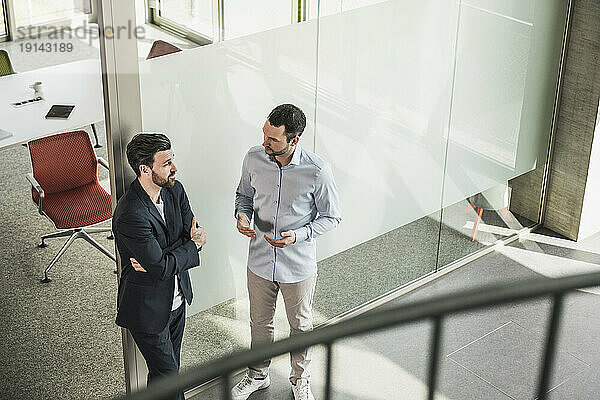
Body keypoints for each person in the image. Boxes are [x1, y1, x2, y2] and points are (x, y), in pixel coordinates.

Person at [232, 104, 341, 400]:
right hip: (259, 261)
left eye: (273, 140)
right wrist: (242, 215)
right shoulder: (254, 158)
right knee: (259, 323)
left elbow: (332, 216)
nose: (265, 143)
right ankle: (257, 375)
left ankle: (300, 380)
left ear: (294, 140)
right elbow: (244, 195)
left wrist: (300, 235)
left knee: (301, 327)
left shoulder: (317, 171)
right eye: (265, 135)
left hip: (298, 265)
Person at [113, 133, 207, 400]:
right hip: (148, 310)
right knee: (170, 379)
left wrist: (165, 256)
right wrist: (190, 247)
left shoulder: (175, 190)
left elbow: (191, 234)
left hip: (177, 301)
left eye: (172, 160)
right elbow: (163, 266)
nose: (174, 168)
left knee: (163, 374)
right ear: (145, 169)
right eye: (166, 163)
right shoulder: (131, 213)